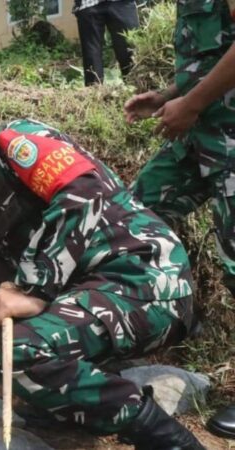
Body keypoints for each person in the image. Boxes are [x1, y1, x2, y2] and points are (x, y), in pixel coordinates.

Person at [0, 100, 202, 448]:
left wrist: (30, 290)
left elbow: (82, 192)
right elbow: (10, 257)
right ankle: (68, 402)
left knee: (12, 352)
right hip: (105, 287)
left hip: (143, 279)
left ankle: (167, 437)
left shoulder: (15, 142)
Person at [124, 0, 235, 439]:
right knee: (134, 217)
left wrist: (191, 102)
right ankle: (156, 324)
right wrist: (171, 95)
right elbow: (212, 55)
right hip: (199, 136)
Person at [73, 0, 139, 86]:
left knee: (130, 50)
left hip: (122, 3)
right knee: (91, 56)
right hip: (88, 4)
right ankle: (94, 94)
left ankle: (136, 89)